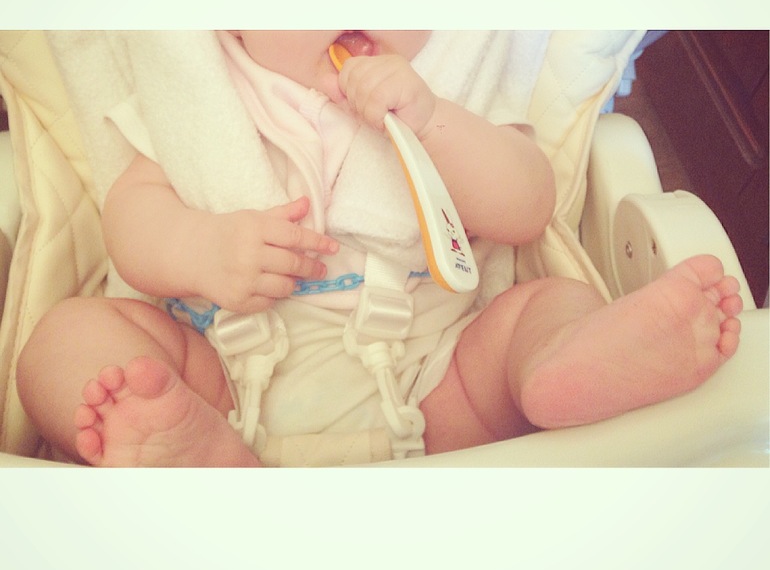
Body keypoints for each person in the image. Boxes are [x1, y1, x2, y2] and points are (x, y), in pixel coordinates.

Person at [16, 31, 743, 466]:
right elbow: (131, 215)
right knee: (64, 339)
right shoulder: (199, 95)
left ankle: (560, 369)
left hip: (435, 377)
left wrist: (433, 121)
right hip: (221, 375)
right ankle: (187, 451)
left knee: (547, 305)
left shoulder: (450, 84)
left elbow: (528, 206)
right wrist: (201, 248)